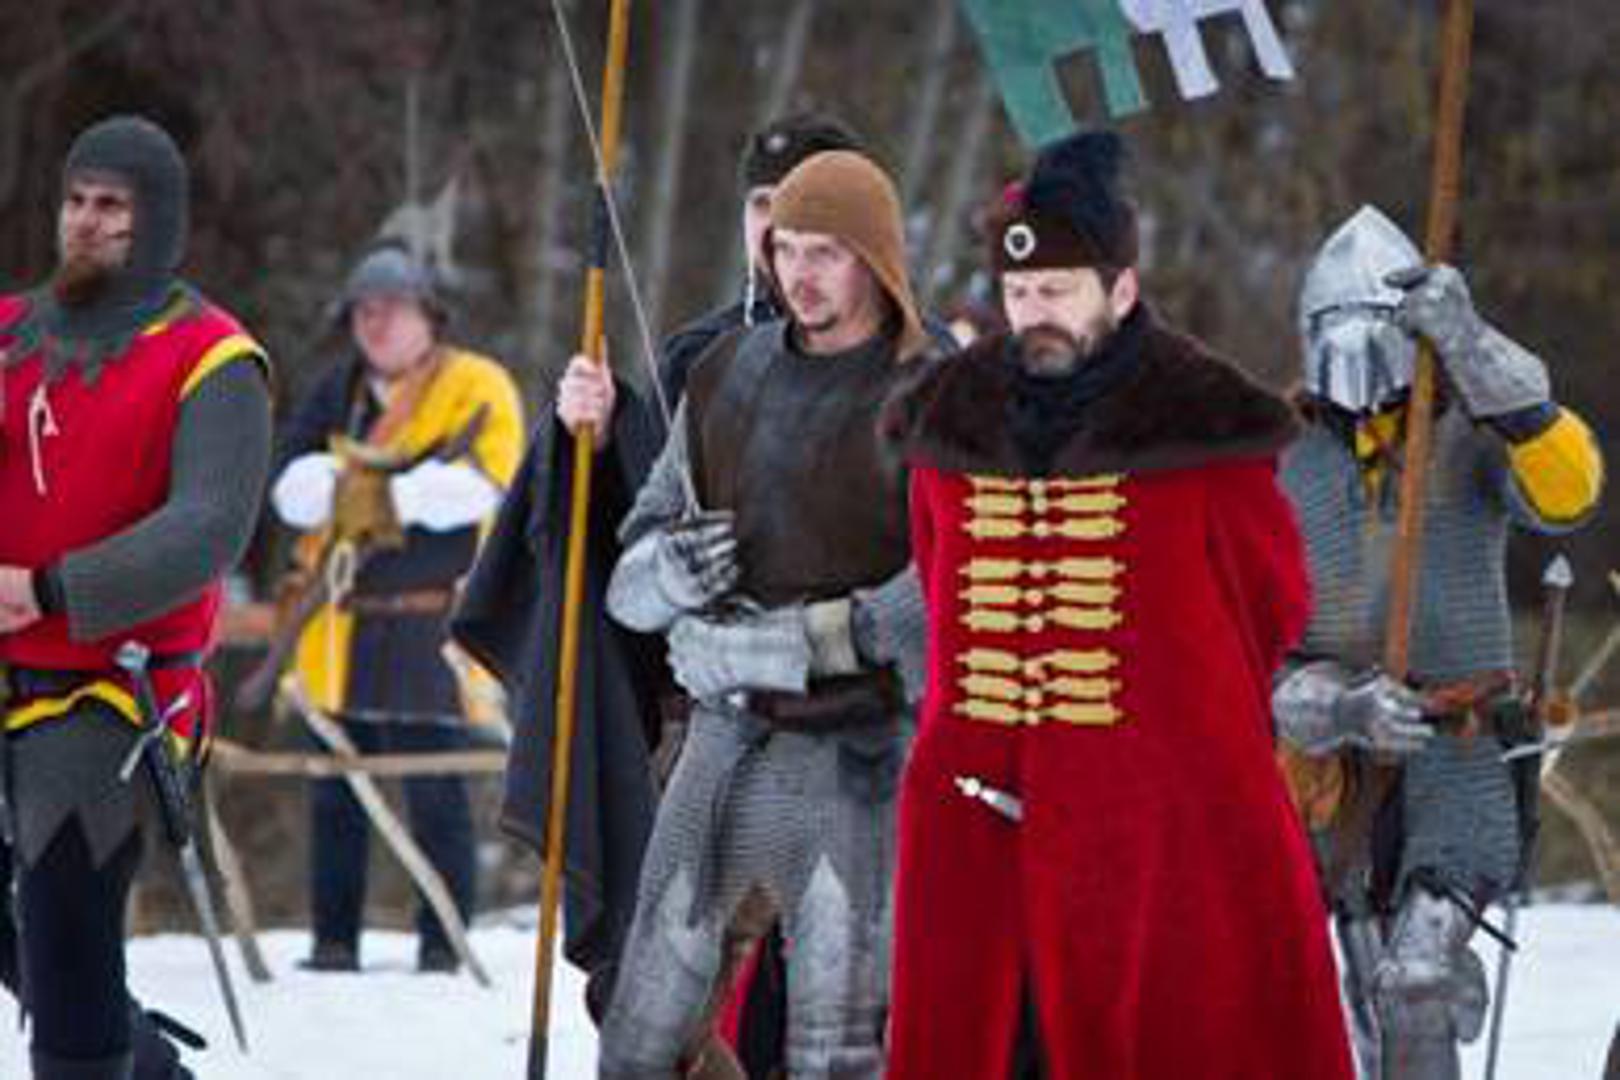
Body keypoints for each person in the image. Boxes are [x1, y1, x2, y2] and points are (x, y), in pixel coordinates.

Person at [880, 131, 1353, 1079]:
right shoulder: (949, 423)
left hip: (1160, 817)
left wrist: (1168, 725)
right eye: (1020, 293)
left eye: (1058, 291)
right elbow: (940, 580)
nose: (1035, 313)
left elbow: (1271, 600)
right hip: (973, 822)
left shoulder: (1204, 426)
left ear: (1122, 291)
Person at [450, 113, 873, 1058]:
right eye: (764, 206)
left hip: (857, 740)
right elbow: (639, 528)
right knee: (666, 1010)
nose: (781, 236)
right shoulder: (697, 356)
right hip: (712, 732)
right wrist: (596, 438)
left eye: (810, 217)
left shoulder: (913, 366)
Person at [594, 148, 931, 1079]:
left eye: (827, 252)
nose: (799, 272)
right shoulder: (726, 371)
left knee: (837, 1050)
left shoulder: (933, 393)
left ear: (876, 259)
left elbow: (945, 596)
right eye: (786, 248)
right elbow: (632, 573)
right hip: (723, 743)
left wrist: (774, 647)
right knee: (640, 1040)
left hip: (859, 753)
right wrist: (670, 572)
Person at [1272, 205, 1603, 1078]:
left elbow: (1573, 491)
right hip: (1340, 774)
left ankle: (1439, 980)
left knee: (1415, 976)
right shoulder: (1283, 468)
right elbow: (1255, 655)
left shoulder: (1472, 440)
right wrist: (1341, 705)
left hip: (1462, 758)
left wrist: (1474, 346)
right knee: (1370, 992)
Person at [0, 114, 271, 1079]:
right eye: (74, 200)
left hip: (114, 693)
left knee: (67, 924)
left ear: (156, 218)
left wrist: (48, 589)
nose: (83, 220)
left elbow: (208, 528)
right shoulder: (9, 334)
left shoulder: (212, 356)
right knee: (41, 948)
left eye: (109, 205)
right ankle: (147, 1063)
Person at [268, 245, 523, 973]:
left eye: (392, 309)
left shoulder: (476, 384)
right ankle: (333, 942)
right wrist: (355, 486)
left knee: (435, 786)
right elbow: (289, 489)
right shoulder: (338, 390)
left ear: (429, 316)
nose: (375, 324)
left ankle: (442, 947)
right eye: (364, 311)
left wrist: (380, 494)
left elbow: (482, 485)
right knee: (334, 788)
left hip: (430, 622)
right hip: (340, 623)